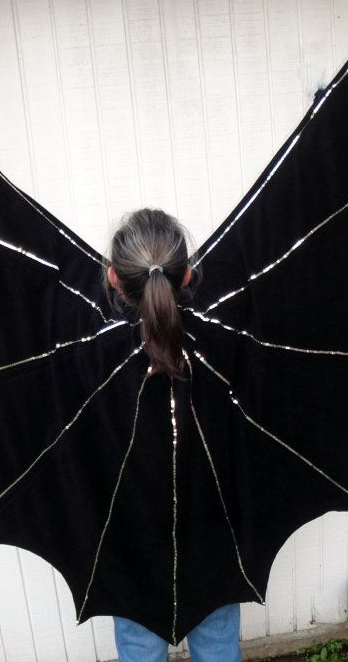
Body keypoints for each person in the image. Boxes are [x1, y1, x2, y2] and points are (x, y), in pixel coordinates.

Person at [105, 207, 243, 662]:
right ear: (187, 277)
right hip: (213, 533)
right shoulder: (228, 341)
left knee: (140, 652)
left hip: (129, 542)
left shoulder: (87, 356)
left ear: (112, 278)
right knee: (219, 648)